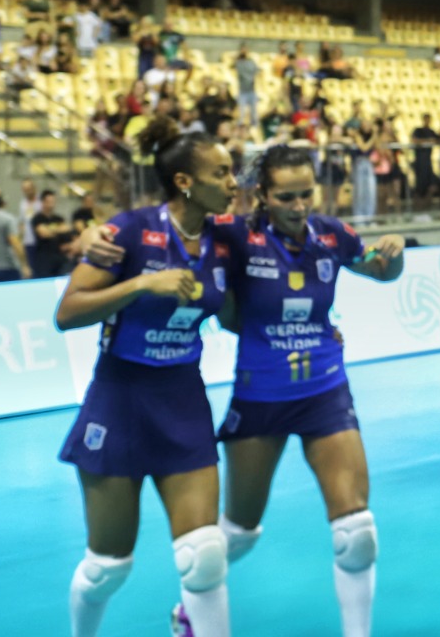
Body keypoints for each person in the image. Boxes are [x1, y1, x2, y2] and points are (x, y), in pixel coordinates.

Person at [162, 145, 402, 637]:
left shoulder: (331, 236)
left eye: (306, 194)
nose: (298, 206)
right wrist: (92, 233)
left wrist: (394, 252)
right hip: (260, 398)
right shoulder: (235, 235)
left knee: (356, 534)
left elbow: (380, 268)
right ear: (264, 197)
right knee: (239, 532)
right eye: (286, 197)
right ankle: (191, 605)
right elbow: (172, 225)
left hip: (326, 393)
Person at [53, 117, 238, 637]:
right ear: (185, 181)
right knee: (108, 567)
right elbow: (67, 312)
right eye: (221, 173)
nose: (232, 183)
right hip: (120, 400)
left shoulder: (226, 239)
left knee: (205, 555)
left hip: (183, 400)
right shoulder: (131, 231)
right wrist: (142, 284)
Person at [0, 187, 31, 281]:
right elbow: (15, 243)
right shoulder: (7, 219)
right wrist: (25, 265)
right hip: (6, 269)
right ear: (3, 202)